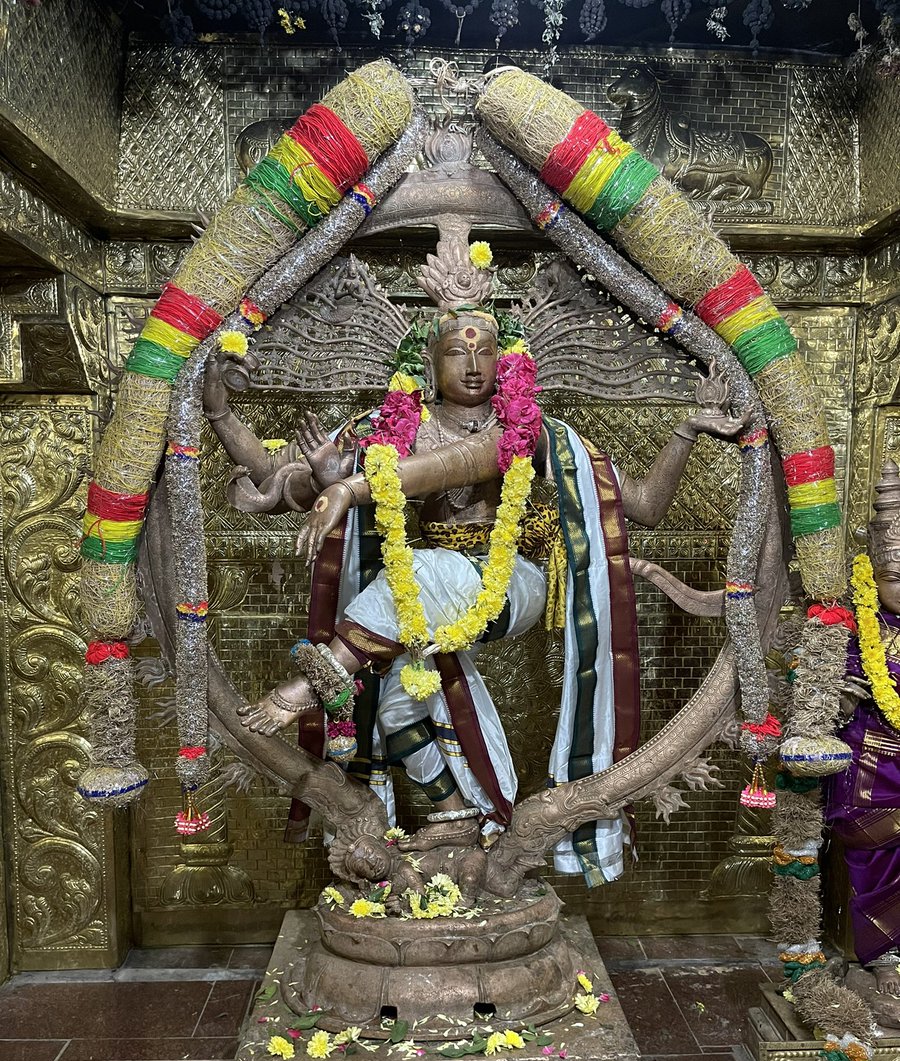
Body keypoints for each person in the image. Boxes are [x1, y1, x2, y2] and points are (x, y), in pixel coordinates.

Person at [204, 280, 745, 884]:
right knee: (396, 711)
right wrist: (228, 418)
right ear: (429, 363)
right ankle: (457, 815)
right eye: (457, 353)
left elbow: (643, 505)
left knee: (421, 570)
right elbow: (276, 476)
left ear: (505, 362)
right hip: (428, 598)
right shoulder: (393, 426)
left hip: (509, 584)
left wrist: (686, 431)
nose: (472, 365)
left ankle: (312, 683)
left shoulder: (529, 431)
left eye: (486, 351)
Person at [824, 458, 900, 1017]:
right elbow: (817, 705)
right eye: (894, 576)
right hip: (872, 775)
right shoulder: (853, 628)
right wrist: (841, 698)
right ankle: (884, 956)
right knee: (874, 843)